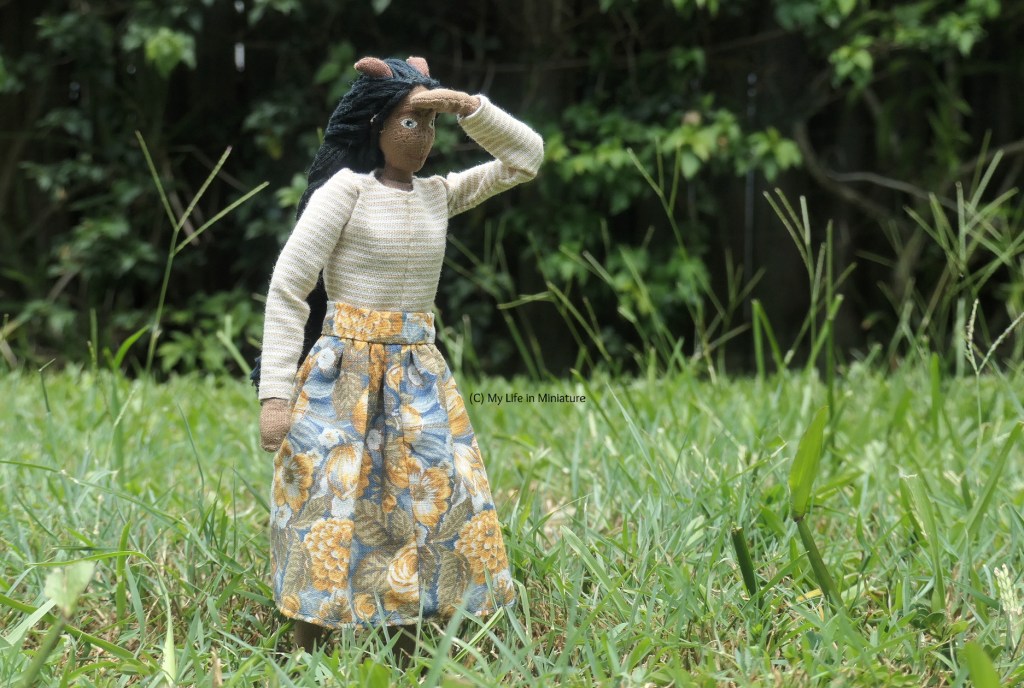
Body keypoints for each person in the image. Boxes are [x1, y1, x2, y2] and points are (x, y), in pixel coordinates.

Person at [255, 55, 544, 658]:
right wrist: (276, 393)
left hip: (417, 373)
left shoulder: (438, 194)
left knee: (435, 490)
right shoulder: (346, 192)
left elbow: (525, 159)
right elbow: (289, 285)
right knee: (328, 493)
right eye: (410, 123)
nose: (423, 138)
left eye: (430, 125)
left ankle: (413, 619)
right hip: (343, 372)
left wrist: (470, 109)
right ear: (376, 126)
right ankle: (311, 629)